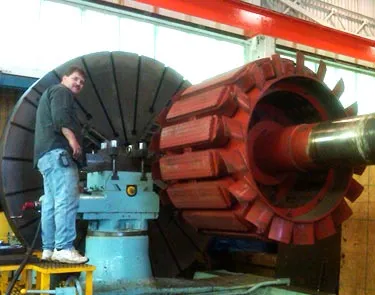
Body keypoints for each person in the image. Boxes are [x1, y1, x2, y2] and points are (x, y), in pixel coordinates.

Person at [34, 66, 88, 264]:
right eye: (75, 79)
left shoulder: (50, 93)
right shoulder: (61, 91)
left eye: (81, 83)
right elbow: (61, 117)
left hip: (46, 157)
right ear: (65, 78)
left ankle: (48, 248)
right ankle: (64, 247)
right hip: (59, 154)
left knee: (50, 202)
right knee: (66, 200)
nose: (78, 84)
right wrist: (73, 140)